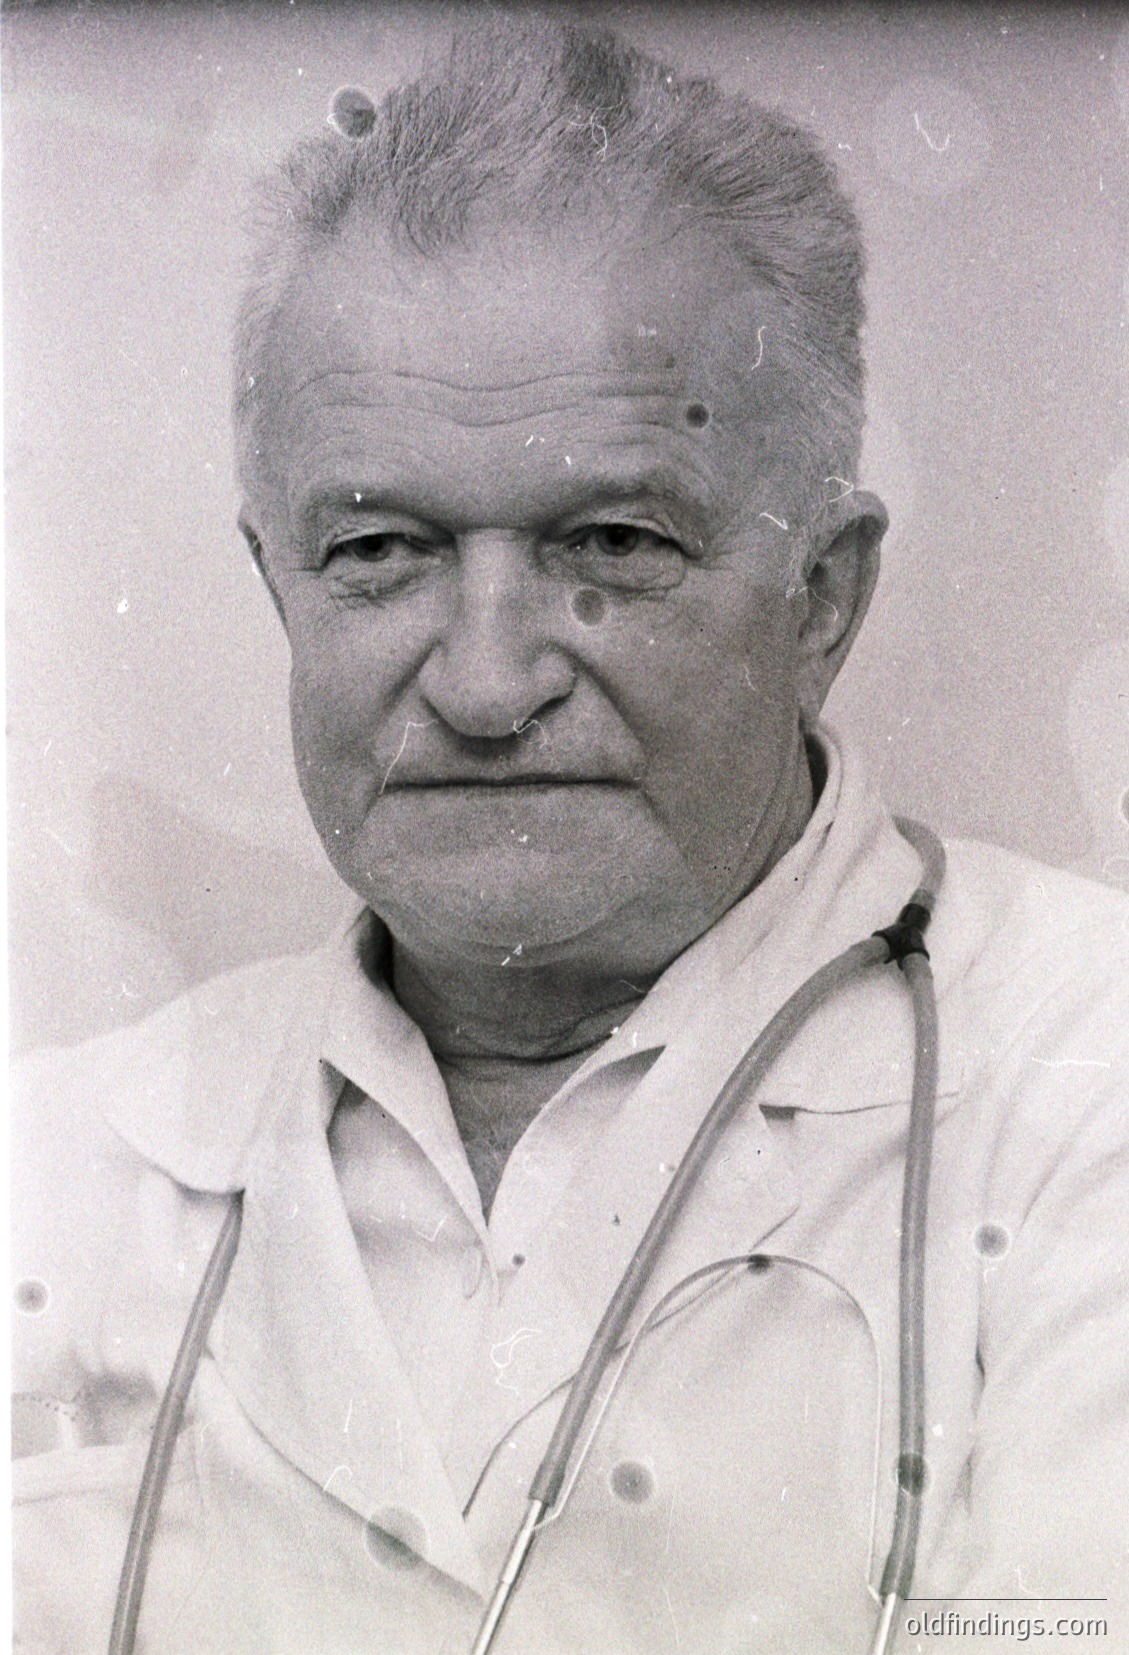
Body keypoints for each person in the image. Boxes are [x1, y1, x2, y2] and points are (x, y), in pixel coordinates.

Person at [12, 18, 1128, 1655]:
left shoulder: (1088, 1080)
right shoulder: (50, 1163)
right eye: (379, 551)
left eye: (612, 538)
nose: (481, 682)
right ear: (278, 587)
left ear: (820, 598)